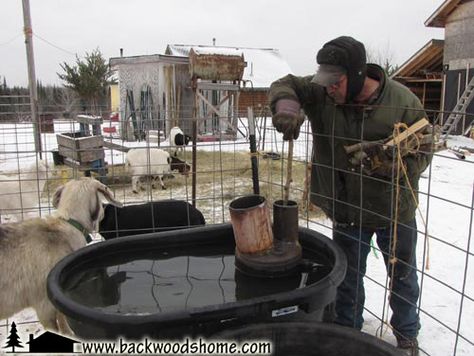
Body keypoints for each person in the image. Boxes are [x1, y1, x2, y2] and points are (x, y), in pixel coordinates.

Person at [269, 36, 432, 356]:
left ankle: (407, 334)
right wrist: (287, 106)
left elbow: (426, 147)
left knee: (403, 277)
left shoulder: (403, 101)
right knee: (347, 279)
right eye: (325, 81)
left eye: (336, 82)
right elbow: (285, 83)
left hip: (393, 211)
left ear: (357, 76)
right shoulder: (322, 94)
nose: (329, 88)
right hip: (346, 209)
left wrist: (392, 164)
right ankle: (346, 334)